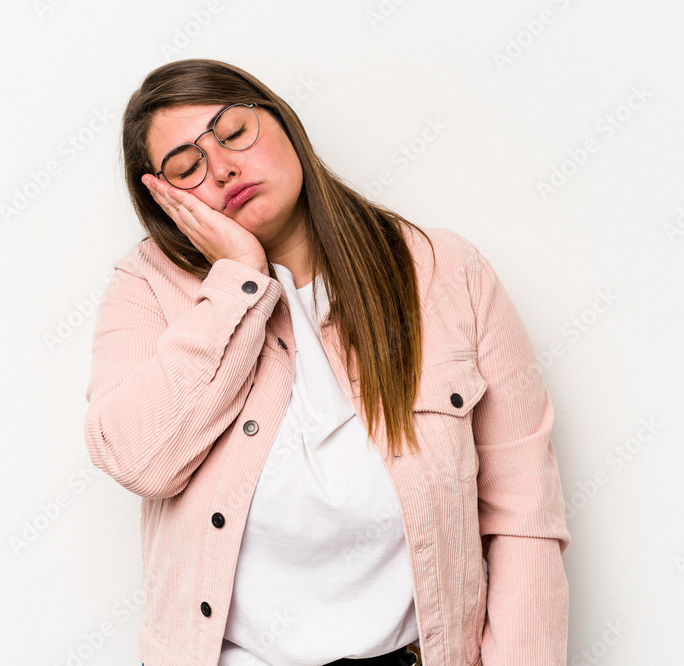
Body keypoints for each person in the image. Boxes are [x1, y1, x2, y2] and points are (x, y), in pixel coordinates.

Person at [83, 58, 571, 666]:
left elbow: (524, 516)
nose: (224, 167)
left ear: (282, 121)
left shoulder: (446, 273)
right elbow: (138, 460)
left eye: (234, 133)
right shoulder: (147, 290)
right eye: (187, 168)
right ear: (163, 200)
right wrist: (237, 280)